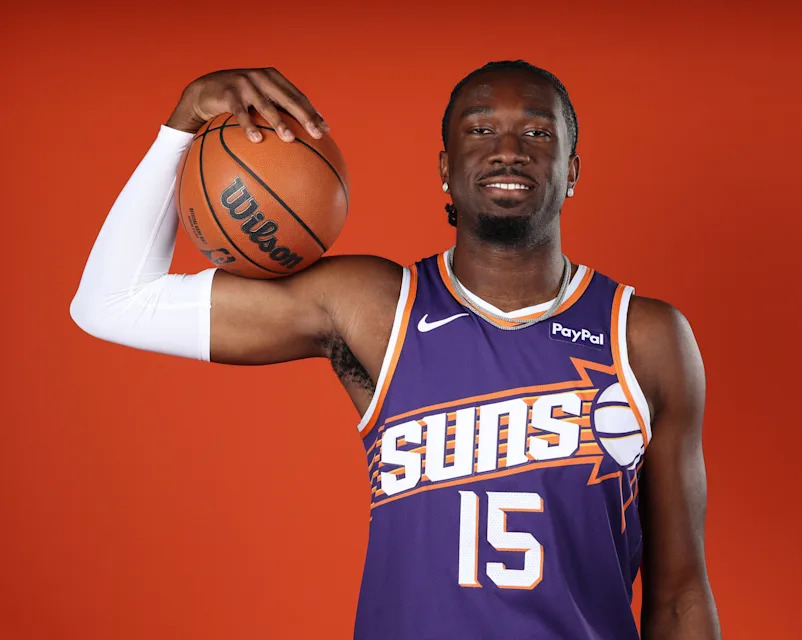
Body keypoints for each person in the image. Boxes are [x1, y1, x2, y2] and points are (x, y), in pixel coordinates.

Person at [71, 60, 721, 639]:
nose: (508, 150)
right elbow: (111, 303)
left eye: (538, 133)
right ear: (444, 168)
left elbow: (679, 596)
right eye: (479, 129)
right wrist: (183, 126)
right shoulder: (375, 308)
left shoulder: (642, 335)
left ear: (572, 171)